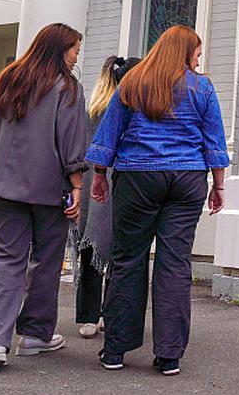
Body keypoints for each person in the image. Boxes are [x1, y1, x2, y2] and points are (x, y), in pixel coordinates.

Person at [86, 26, 228, 376]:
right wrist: (218, 185)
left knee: (128, 258)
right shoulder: (202, 87)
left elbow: (110, 131)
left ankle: (115, 350)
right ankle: (169, 355)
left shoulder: (133, 81)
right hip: (187, 178)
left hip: (137, 176)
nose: (198, 60)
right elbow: (214, 138)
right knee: (175, 262)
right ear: (184, 52)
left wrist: (100, 174)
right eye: (197, 53)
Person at [0, 23, 88, 371]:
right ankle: (35, 335)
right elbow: (71, 143)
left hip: (4, 186)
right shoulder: (67, 88)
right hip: (48, 188)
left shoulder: (8, 80)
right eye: (75, 51)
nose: (76, 58)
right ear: (60, 50)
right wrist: (78, 188)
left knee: (5, 262)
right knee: (46, 262)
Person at [73, 56, 140, 338]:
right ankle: (108, 314)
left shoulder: (93, 107)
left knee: (91, 249)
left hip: (92, 183)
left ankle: (88, 316)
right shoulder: (130, 107)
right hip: (116, 182)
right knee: (119, 251)